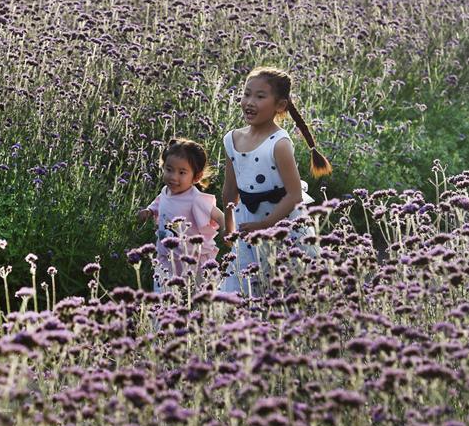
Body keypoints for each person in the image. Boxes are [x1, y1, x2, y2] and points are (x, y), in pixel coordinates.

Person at [221, 66, 332, 295]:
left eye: (260, 97)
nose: (250, 102)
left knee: (285, 288)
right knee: (242, 288)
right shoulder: (232, 140)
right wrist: (228, 227)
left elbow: (293, 195)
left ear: (280, 106)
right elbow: (230, 190)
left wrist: (264, 225)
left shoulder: (279, 143)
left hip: (281, 226)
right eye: (247, 94)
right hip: (247, 225)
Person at [136, 138, 224, 292]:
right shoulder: (165, 191)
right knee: (164, 296)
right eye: (169, 169)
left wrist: (227, 231)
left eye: (182, 172)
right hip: (166, 258)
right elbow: (159, 202)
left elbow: (219, 216)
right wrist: (149, 211)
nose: (173, 177)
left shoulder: (195, 199)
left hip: (194, 261)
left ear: (196, 177)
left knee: (201, 296)